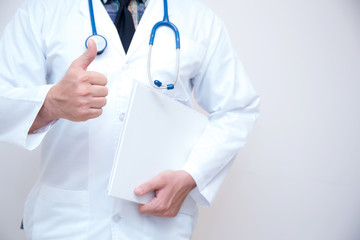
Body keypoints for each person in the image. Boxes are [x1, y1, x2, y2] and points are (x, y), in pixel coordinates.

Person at [0, 0, 259, 239]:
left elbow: (237, 108)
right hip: (67, 224)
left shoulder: (198, 19)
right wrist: (50, 103)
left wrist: (192, 176)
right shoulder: (42, 11)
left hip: (157, 225)